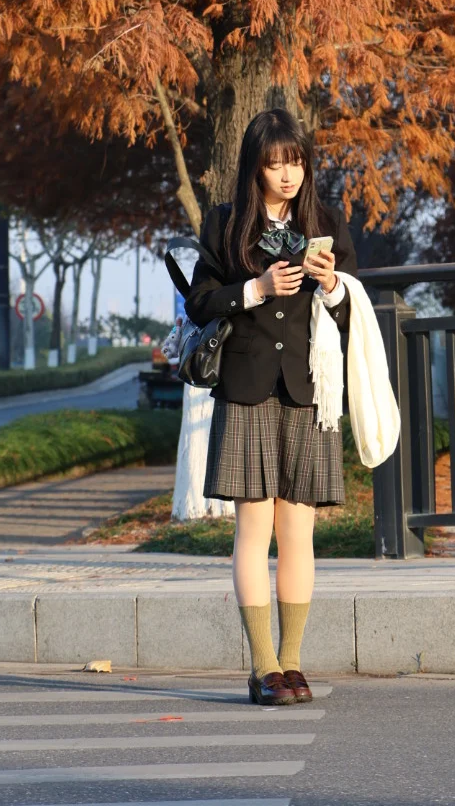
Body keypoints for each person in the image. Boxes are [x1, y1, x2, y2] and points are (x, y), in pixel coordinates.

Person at [186, 107, 355, 707]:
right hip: (248, 387)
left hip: (306, 390)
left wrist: (332, 286)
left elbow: (350, 313)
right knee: (254, 529)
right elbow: (200, 303)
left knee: (298, 532)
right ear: (256, 166)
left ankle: (293, 662)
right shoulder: (226, 226)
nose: (288, 174)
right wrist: (256, 289)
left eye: (296, 161)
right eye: (275, 162)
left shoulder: (324, 224)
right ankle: (262, 667)